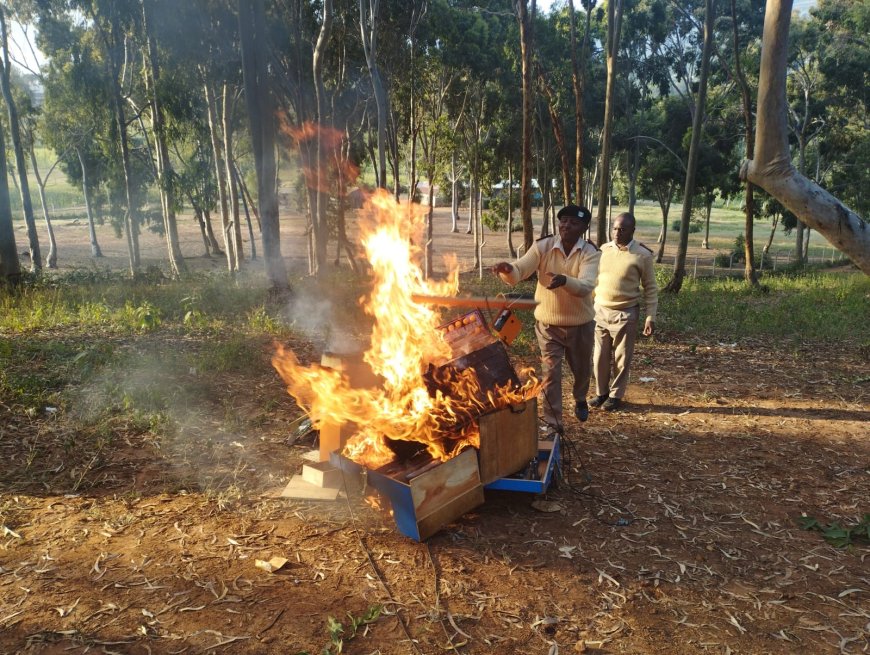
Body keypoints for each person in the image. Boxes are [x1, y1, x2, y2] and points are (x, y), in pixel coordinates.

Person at [492, 205, 600, 434]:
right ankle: (554, 425)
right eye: (564, 221)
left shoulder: (590, 252)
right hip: (548, 325)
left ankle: (580, 397)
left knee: (581, 370)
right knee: (550, 375)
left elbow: (587, 286)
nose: (567, 225)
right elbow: (520, 269)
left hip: (580, 325)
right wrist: (507, 269)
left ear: (584, 227)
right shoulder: (544, 246)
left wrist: (564, 281)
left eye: (573, 222)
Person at [590, 212, 658, 411]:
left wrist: (650, 317)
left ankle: (615, 395)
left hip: (625, 314)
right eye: (615, 228)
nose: (617, 233)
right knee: (599, 357)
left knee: (621, 358)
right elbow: (594, 280)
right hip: (600, 311)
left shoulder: (642, 255)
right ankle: (601, 393)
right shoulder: (603, 250)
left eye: (622, 229)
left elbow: (651, 288)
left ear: (632, 231)